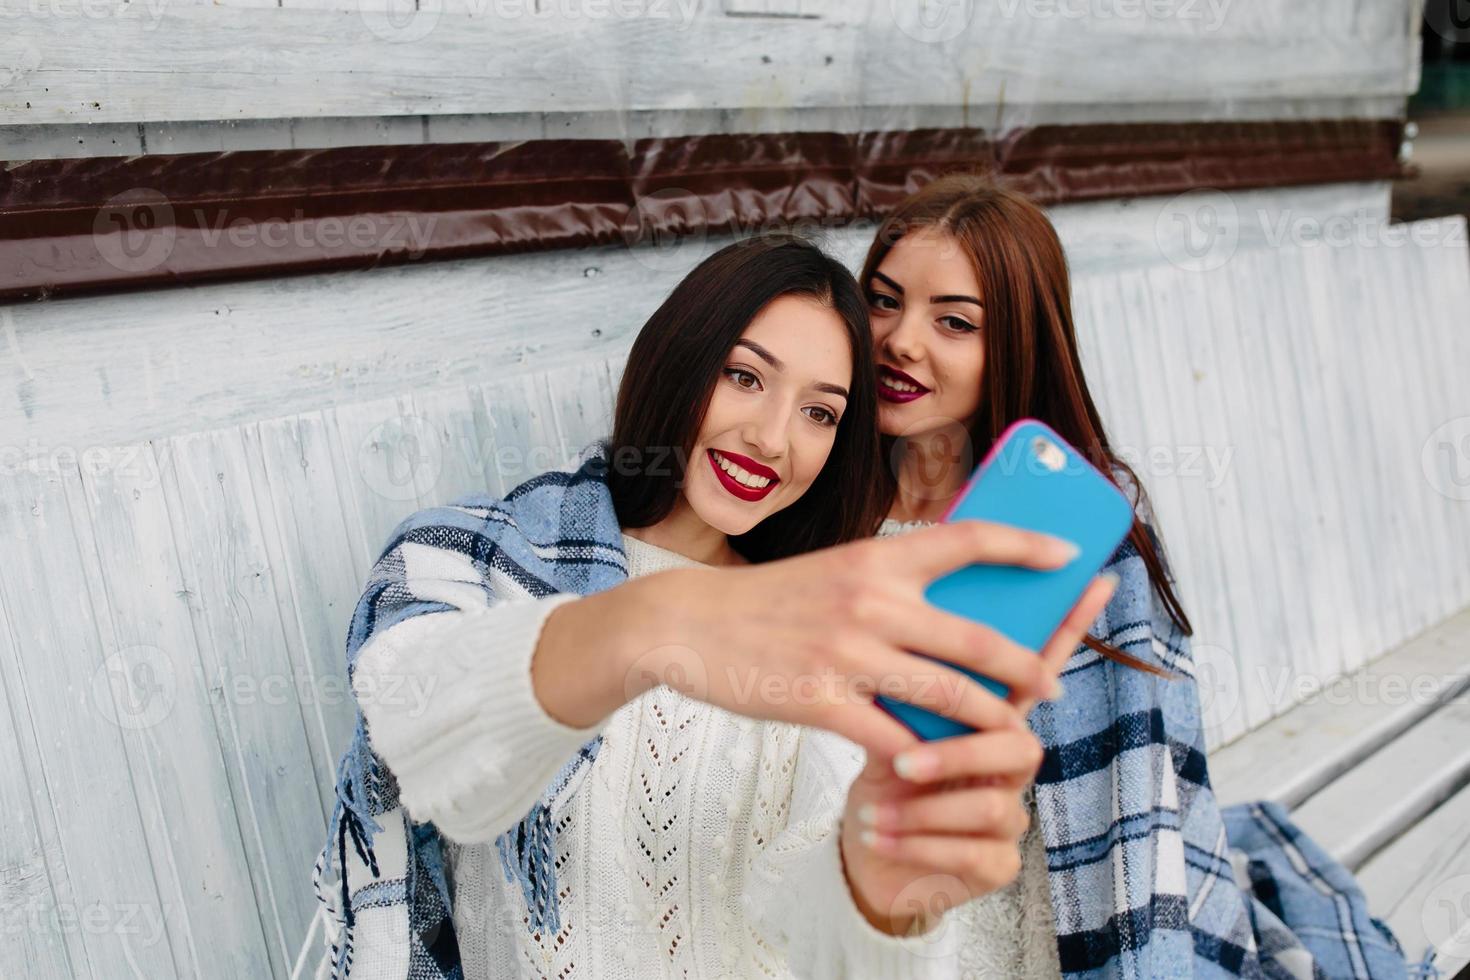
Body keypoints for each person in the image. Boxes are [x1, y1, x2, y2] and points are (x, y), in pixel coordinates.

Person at [310, 233, 1117, 979]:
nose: (772, 438)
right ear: (678, 358)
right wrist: (657, 619)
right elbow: (421, 739)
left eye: (820, 413)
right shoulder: (467, 552)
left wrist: (878, 892)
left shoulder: (818, 629)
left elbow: (814, 933)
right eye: (745, 376)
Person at [859, 173, 1423, 979]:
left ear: (1016, 341)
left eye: (954, 322)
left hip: (1031, 884)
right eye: (883, 301)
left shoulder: (1068, 513)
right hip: (853, 861)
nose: (901, 340)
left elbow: (1131, 770)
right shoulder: (826, 492)